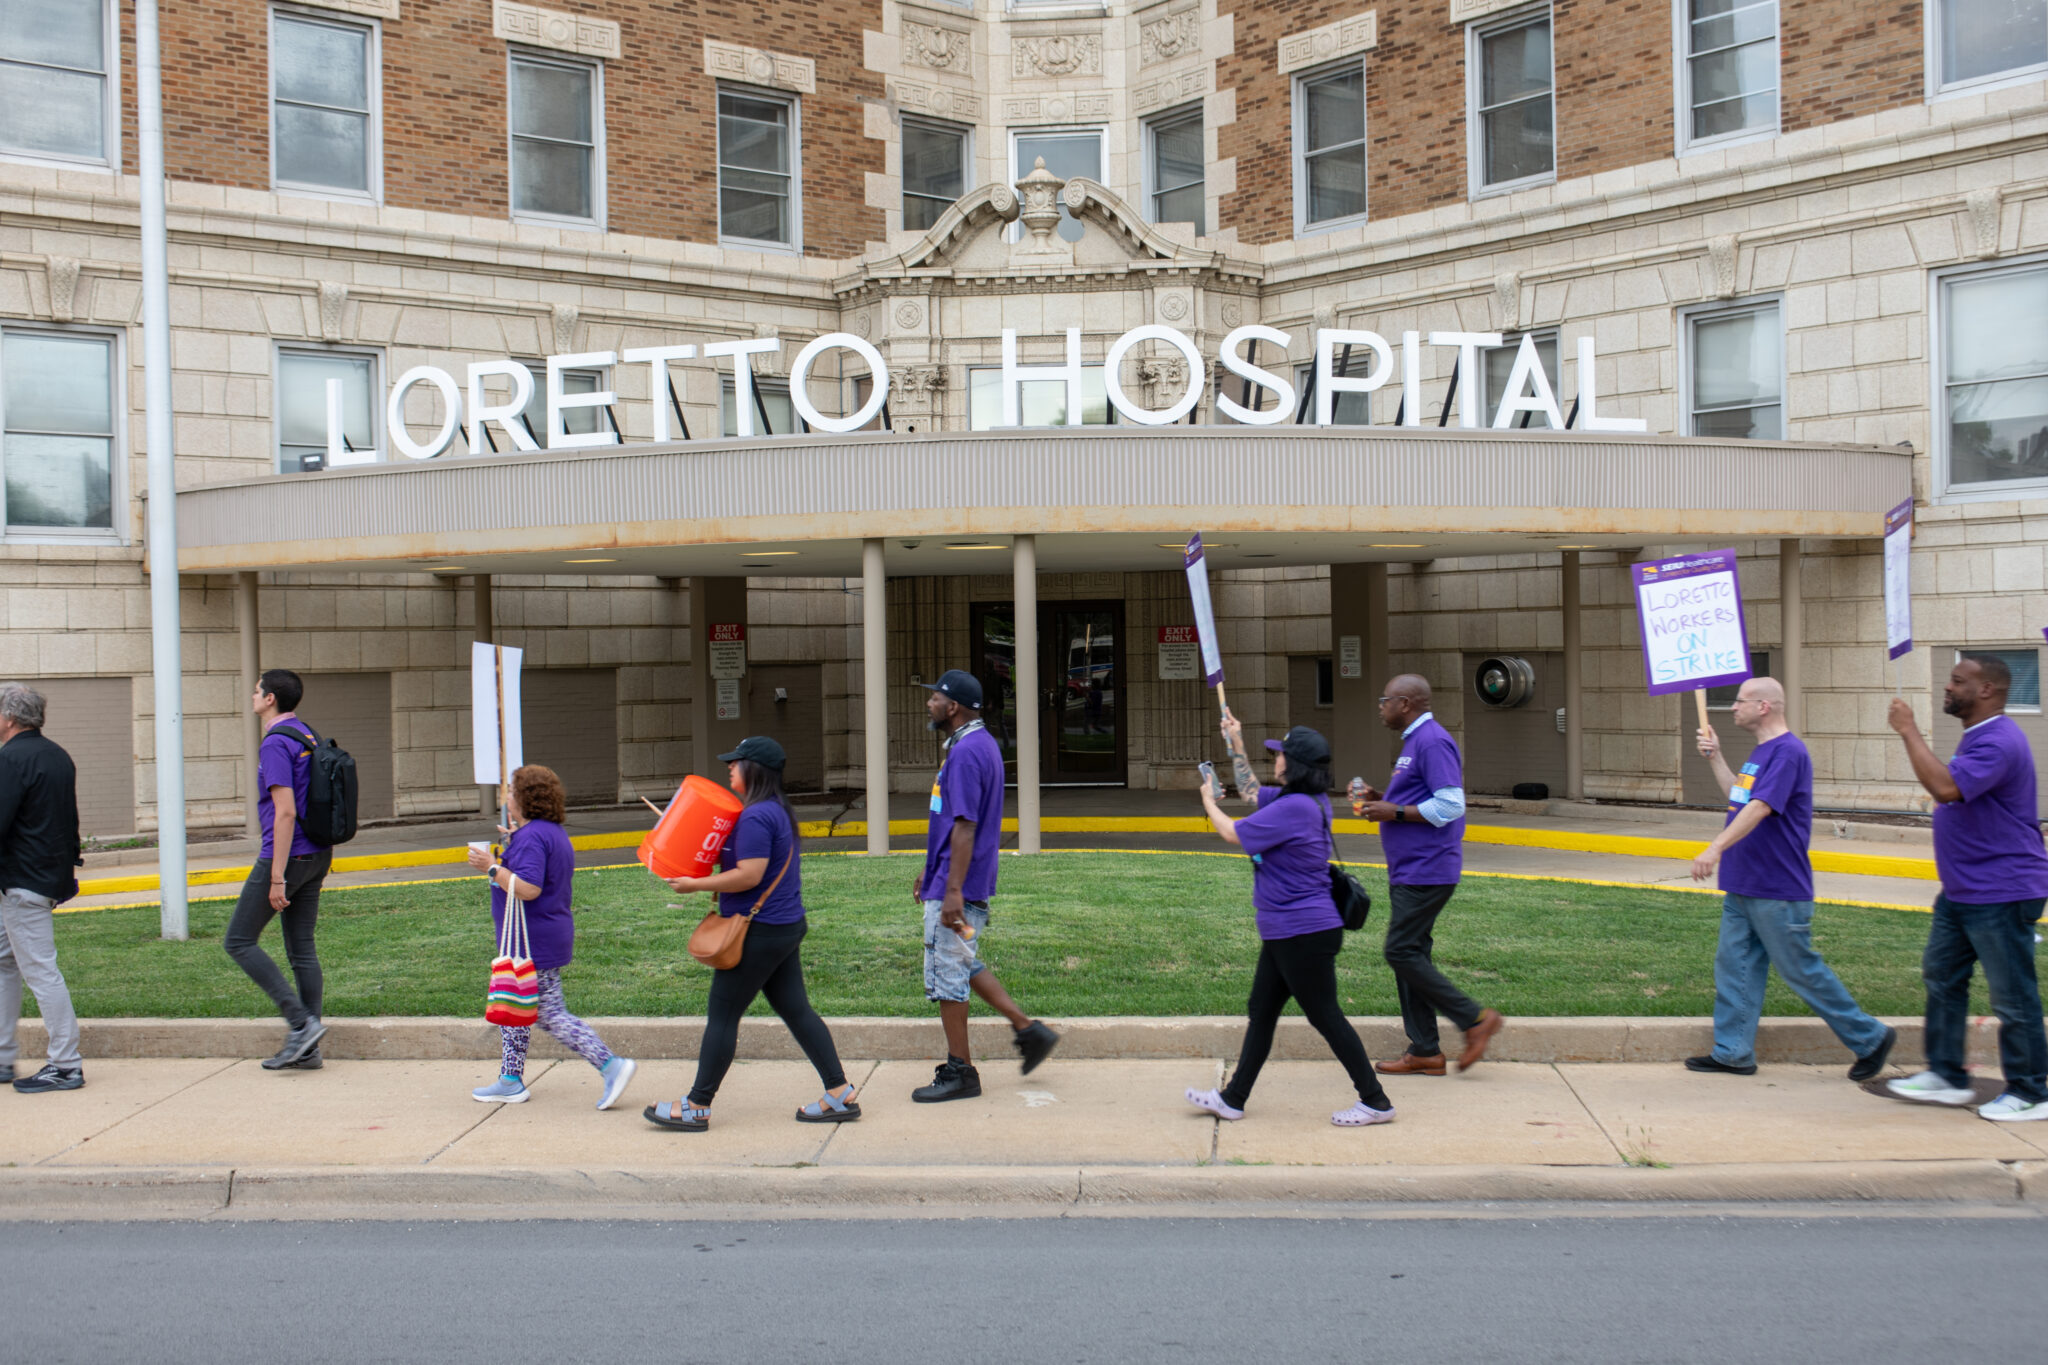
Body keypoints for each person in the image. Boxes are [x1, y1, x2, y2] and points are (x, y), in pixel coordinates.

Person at [1185, 721, 1396, 1127]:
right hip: (1288, 930)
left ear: (1293, 764)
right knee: (1262, 1010)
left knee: (1325, 1016)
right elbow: (1249, 791)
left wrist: (1208, 801)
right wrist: (1237, 744)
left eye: (1279, 754)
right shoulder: (1305, 799)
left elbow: (1232, 833)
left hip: (1304, 932)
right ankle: (1233, 1099)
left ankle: (1376, 1101)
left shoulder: (1294, 808)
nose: (1275, 759)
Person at [644, 737, 856, 1131]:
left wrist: (694, 885)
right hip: (783, 927)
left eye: (736, 762)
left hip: (758, 932)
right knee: (796, 1010)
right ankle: (839, 1093)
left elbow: (750, 875)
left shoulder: (757, 816)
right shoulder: (774, 811)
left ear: (754, 769)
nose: (729, 767)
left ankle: (696, 1106)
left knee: (722, 1015)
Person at [1688, 677, 1895, 1080]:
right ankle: (1732, 1052)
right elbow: (1739, 797)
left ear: (1764, 706)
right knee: (1734, 968)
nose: (1733, 707)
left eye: (1740, 701)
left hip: (1776, 888)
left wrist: (1715, 847)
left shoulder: (1787, 753)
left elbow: (1762, 807)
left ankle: (1870, 1038)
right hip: (1745, 882)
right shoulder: (1762, 754)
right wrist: (1715, 757)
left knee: (1800, 969)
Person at [1883, 655, 2048, 1122]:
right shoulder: (1979, 737)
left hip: (2002, 890)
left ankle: (2031, 1092)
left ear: (1987, 691)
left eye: (1958, 681)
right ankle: (1947, 1075)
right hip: (1964, 890)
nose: (1948, 687)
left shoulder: (1998, 741)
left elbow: (1945, 788)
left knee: (2013, 997)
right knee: (1942, 977)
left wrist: (1908, 730)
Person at [910, 669, 1059, 1102]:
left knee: (947, 975)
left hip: (958, 886)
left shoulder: (968, 753)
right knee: (960, 959)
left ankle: (961, 1072)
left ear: (953, 706)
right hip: (951, 878)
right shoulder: (976, 744)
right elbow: (951, 821)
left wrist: (951, 890)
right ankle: (1028, 1030)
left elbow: (965, 825)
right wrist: (930, 869)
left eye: (934, 698)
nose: (929, 704)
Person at [467, 764, 636, 1110]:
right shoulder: (547, 833)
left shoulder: (532, 838)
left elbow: (528, 888)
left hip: (533, 940)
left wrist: (491, 866)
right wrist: (512, 845)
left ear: (527, 799)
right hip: (538, 936)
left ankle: (611, 1065)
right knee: (515, 1005)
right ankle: (510, 1080)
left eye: (513, 792)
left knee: (547, 1012)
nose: (508, 797)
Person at [1359, 674, 1504, 1075]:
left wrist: (1395, 812)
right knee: (1412, 954)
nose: (1380, 706)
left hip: (1428, 869)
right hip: (1412, 868)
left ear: (1405, 703)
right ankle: (1425, 1050)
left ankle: (1475, 1020)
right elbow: (1421, 799)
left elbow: (1451, 805)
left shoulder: (1432, 740)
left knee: (1399, 951)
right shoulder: (1414, 743)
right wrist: (1384, 801)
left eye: (1384, 699)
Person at [224, 669, 332, 1071]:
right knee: (302, 949)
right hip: (319, 854)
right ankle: (310, 1049)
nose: (252, 696)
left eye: (256, 691)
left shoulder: (274, 743)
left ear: (270, 699)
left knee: (238, 941)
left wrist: (276, 876)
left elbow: (284, 813)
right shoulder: (308, 734)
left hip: (286, 856)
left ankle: (301, 1024)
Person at [0, 684, 84, 1094]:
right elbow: (68, 821)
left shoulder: (10, 759)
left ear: (9, 718)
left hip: (21, 884)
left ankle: (66, 1065)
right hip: (44, 879)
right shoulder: (57, 755)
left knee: (40, 970)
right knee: (3, 960)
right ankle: (2, 1057)